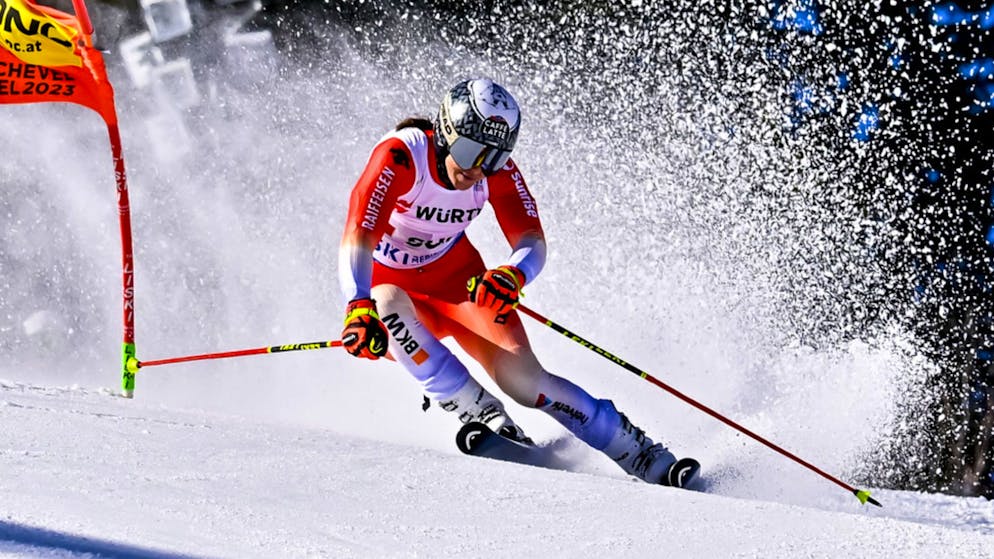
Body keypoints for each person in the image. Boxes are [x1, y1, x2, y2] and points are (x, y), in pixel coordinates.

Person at [338, 78, 694, 486]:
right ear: (447, 133)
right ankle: (481, 412)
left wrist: (512, 274)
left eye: (493, 158)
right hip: (393, 299)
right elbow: (358, 233)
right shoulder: (402, 157)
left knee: (526, 383)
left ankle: (639, 452)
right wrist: (356, 305)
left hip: (460, 287)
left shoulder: (495, 170)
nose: (477, 169)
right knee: (384, 302)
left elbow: (531, 239)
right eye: (471, 152)